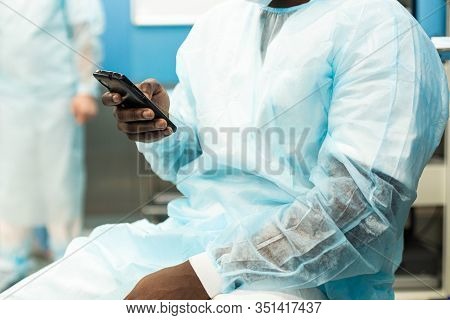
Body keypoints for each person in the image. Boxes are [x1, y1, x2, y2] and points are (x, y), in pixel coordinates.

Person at [1, 0, 448, 300]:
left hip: (313, 279)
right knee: (35, 299)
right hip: (187, 240)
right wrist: (161, 130)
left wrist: (203, 276)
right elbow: (198, 163)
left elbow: (358, 211)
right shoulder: (220, 22)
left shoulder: (380, 28)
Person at [0, 0, 104, 291]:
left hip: (56, 95)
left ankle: (65, 259)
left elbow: (85, 29)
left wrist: (85, 88)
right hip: (8, 97)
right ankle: (10, 262)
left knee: (60, 181)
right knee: (10, 181)